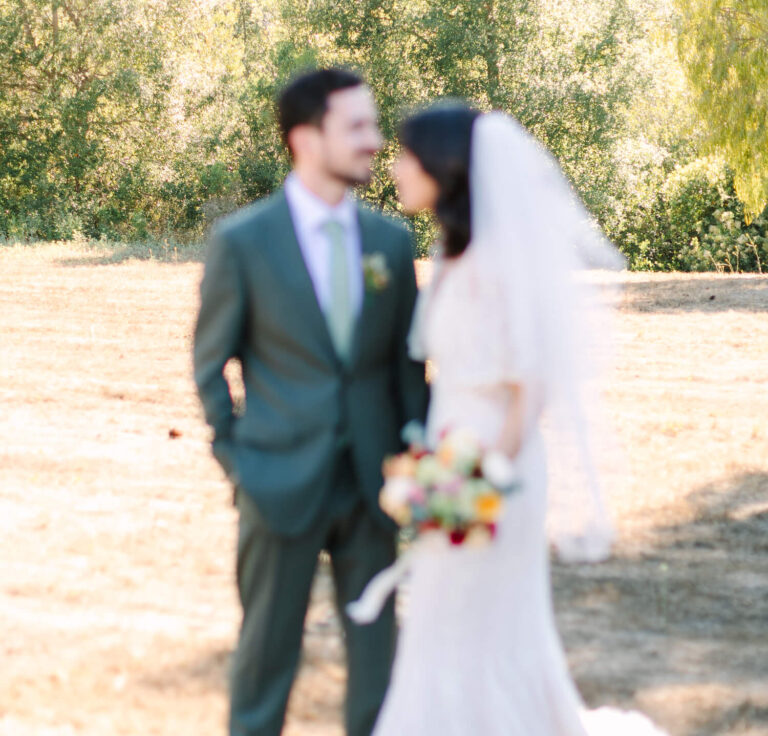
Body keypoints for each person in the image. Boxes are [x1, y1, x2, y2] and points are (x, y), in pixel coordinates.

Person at [370, 102, 667, 736]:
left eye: (407, 155)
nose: (395, 167)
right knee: (444, 621)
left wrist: (481, 476)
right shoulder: (450, 255)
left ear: (444, 167)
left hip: (492, 466)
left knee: (482, 622)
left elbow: (533, 385)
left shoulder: (498, 264)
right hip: (451, 455)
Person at [193, 67, 428, 736]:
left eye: (373, 125)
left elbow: (407, 368)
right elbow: (210, 363)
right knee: (265, 663)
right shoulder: (243, 241)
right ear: (304, 138)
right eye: (356, 127)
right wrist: (238, 459)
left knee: (379, 670)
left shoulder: (390, 242)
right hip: (278, 479)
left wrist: (416, 458)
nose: (374, 141)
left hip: (374, 486)